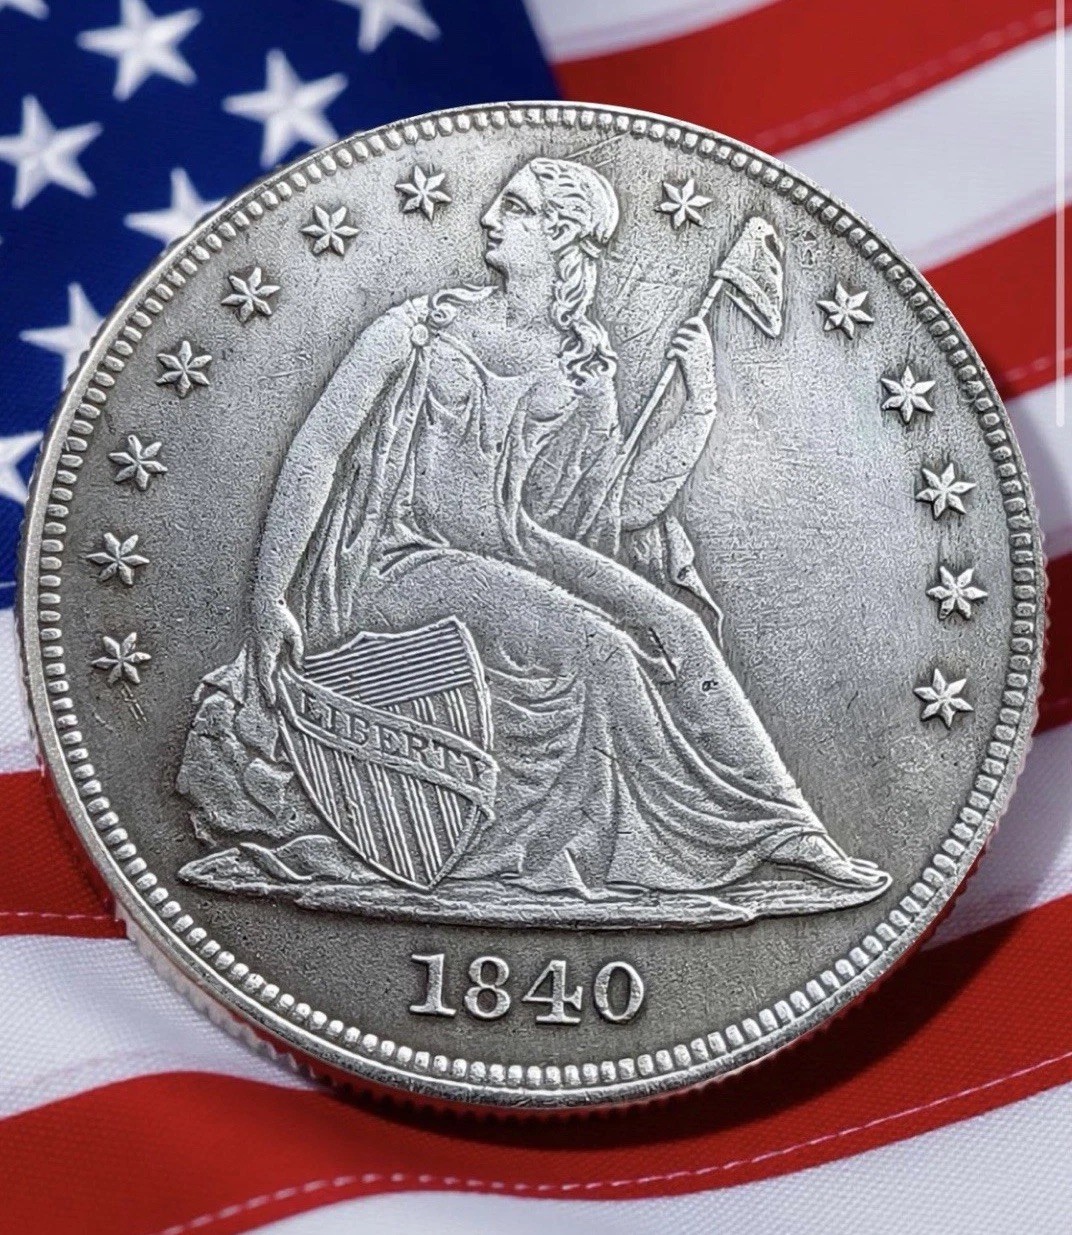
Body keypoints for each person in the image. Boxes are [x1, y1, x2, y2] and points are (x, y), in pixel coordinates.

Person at [179, 156, 887, 908]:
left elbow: (618, 509)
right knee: (602, 645)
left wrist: (699, 408)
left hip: (513, 545)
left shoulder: (585, 371)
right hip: (395, 560)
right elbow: (318, 449)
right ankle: (690, 844)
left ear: (562, 234)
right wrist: (270, 596)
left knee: (677, 625)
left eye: (514, 208)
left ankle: (788, 828)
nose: (490, 219)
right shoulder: (418, 329)